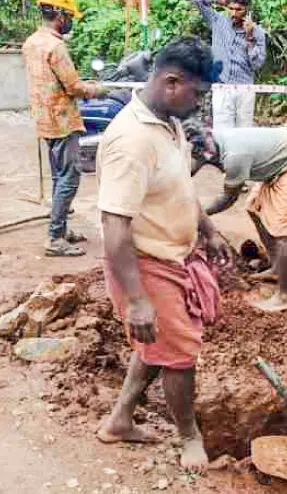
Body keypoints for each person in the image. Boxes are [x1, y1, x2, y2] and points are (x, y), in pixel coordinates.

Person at [95, 37, 231, 473]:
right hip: (146, 262)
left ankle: (119, 421)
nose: (200, 104)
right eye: (197, 93)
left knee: (159, 342)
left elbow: (180, 187)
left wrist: (207, 229)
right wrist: (137, 300)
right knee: (180, 355)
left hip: (174, 255)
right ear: (171, 82)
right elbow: (115, 226)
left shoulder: (168, 123)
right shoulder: (131, 141)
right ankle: (189, 437)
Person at [185, 122, 287, 312]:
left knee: (281, 231)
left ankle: (283, 297)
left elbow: (228, 199)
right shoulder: (210, 143)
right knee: (254, 208)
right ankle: (275, 268)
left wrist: (198, 216)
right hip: (276, 166)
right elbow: (188, 170)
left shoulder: (234, 157)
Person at [22, 0, 108, 257]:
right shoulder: (55, 46)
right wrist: (97, 89)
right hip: (62, 121)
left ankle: (61, 228)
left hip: (45, 119)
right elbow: (73, 87)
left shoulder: (31, 42)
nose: (70, 21)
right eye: (69, 16)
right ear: (59, 15)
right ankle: (55, 238)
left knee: (59, 177)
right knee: (69, 178)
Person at [190, 0, 266, 128]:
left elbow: (257, 64)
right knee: (222, 133)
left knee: (244, 133)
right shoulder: (217, 21)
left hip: (245, 89)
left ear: (247, 9)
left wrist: (250, 38)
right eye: (231, 9)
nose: (234, 13)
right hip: (222, 87)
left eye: (239, 10)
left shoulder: (257, 33)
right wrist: (222, 1)